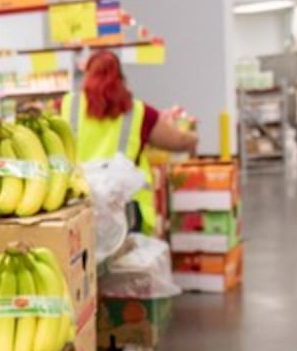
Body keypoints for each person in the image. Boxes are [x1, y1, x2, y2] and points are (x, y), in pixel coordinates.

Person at [60, 49, 199, 234]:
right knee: (127, 262)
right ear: (120, 77)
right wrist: (193, 138)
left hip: (79, 203)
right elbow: (178, 141)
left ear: (87, 75)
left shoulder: (67, 105)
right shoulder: (138, 112)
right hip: (126, 208)